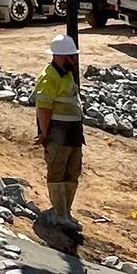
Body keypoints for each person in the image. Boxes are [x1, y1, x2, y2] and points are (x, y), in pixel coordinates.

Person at [32, 33, 86, 242]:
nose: (74, 60)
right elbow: (43, 109)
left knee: (72, 172)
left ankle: (65, 213)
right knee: (57, 172)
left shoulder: (67, 74)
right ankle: (58, 212)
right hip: (58, 135)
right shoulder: (49, 77)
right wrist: (45, 135)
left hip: (73, 135)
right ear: (61, 57)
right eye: (71, 56)